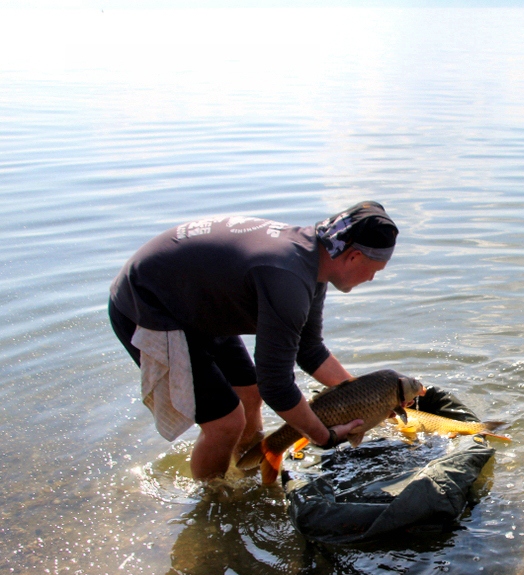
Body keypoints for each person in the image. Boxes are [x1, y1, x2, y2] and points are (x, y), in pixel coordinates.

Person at [109, 201, 398, 480]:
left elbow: (309, 350)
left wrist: (374, 396)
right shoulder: (288, 280)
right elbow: (277, 386)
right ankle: (215, 500)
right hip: (149, 304)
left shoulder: (314, 260)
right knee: (225, 422)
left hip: (197, 300)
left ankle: (247, 468)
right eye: (376, 270)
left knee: (249, 393)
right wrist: (325, 437)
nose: (372, 278)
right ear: (354, 257)